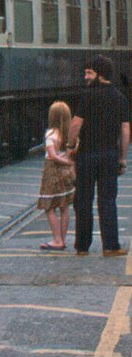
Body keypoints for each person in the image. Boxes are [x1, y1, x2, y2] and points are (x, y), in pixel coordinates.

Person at [67, 55, 130, 257]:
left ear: (100, 75)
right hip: (110, 154)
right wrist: (122, 157)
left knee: (83, 200)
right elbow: (126, 131)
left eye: (89, 73)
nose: (85, 77)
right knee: (108, 200)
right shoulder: (120, 97)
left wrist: (70, 146)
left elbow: (76, 124)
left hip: (87, 155)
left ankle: (82, 246)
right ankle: (111, 245)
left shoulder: (87, 96)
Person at [37, 101, 75, 250]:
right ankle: (63, 239)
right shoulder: (68, 134)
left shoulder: (50, 134)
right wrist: (70, 163)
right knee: (64, 206)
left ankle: (57, 240)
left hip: (52, 173)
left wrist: (64, 162)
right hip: (66, 175)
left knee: (49, 206)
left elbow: (52, 156)